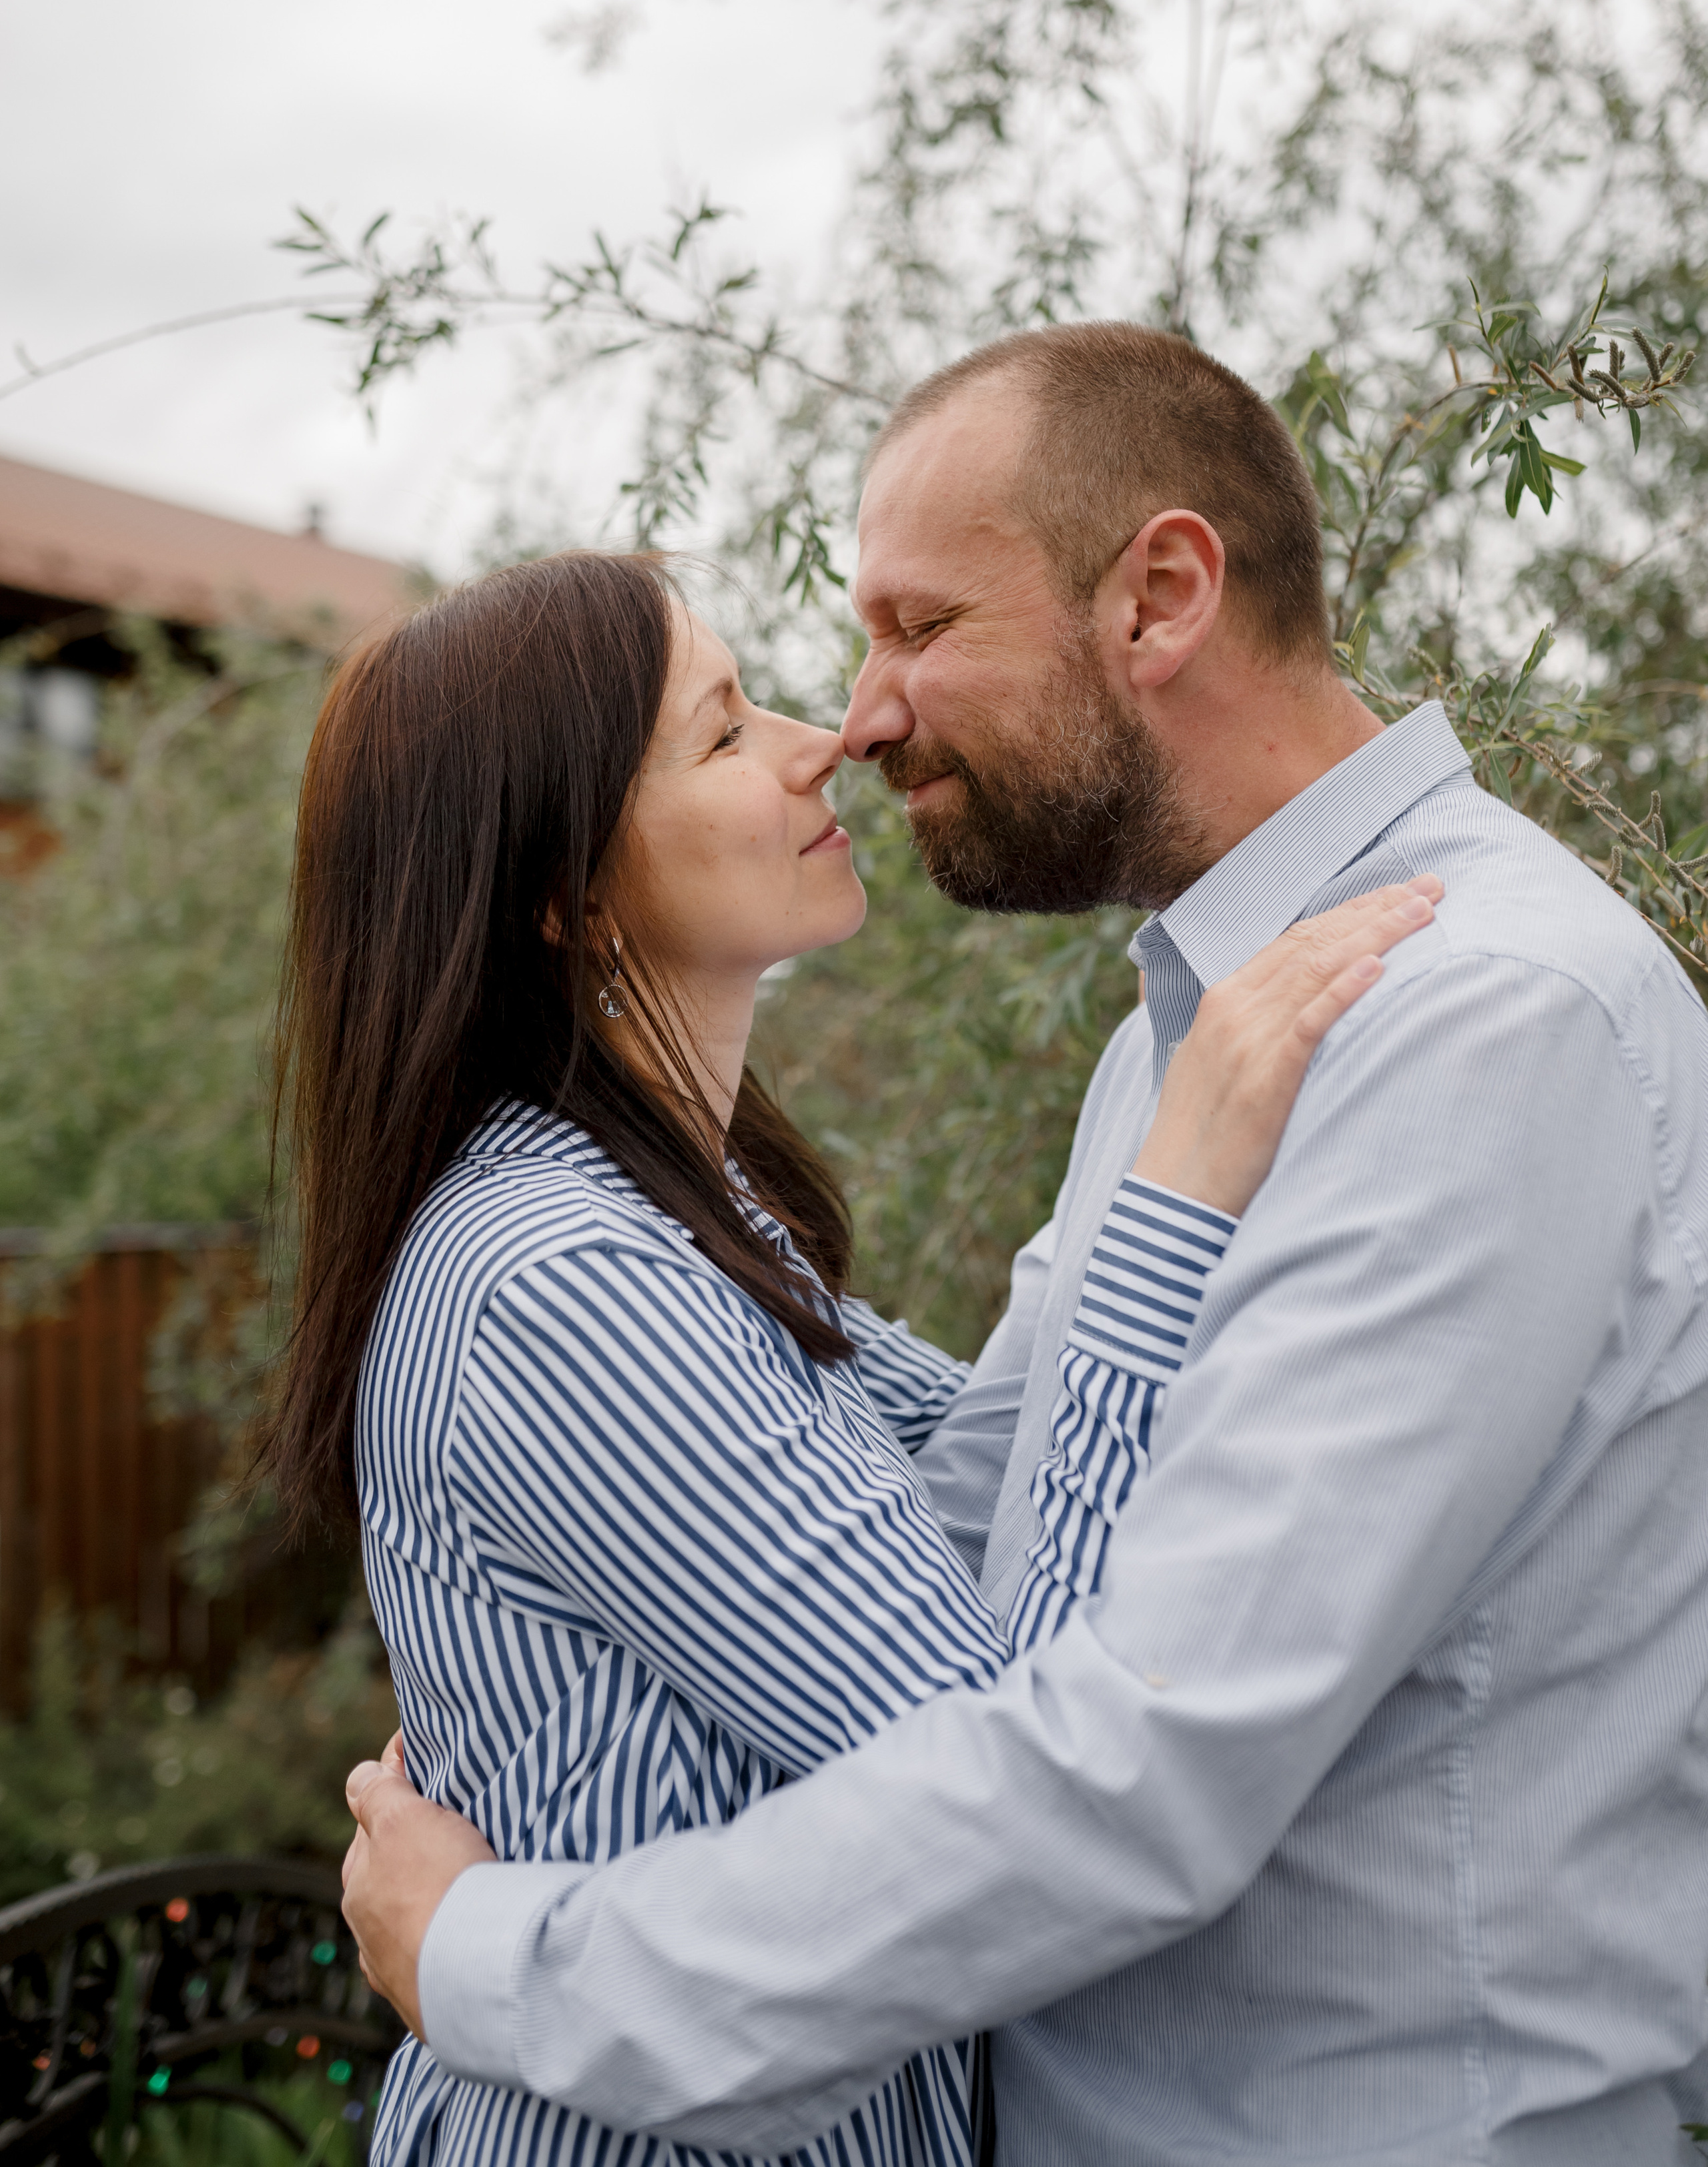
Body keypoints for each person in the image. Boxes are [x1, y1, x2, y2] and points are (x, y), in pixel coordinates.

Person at [342, 326, 1708, 2164]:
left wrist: (498, 1959)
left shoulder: (1473, 1021)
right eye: (755, 711)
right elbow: (980, 1546)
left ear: (1159, 599)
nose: (861, 719)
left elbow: (1117, 1762)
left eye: (919, 627)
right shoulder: (1186, 1042)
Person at [266, 544, 1431, 2167]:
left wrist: (1148, 1142)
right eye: (723, 730)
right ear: (562, 895)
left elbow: (1002, 1481)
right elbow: (1014, 1792)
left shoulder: (679, 1218)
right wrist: (1169, 1194)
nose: (822, 742)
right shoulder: (560, 1285)